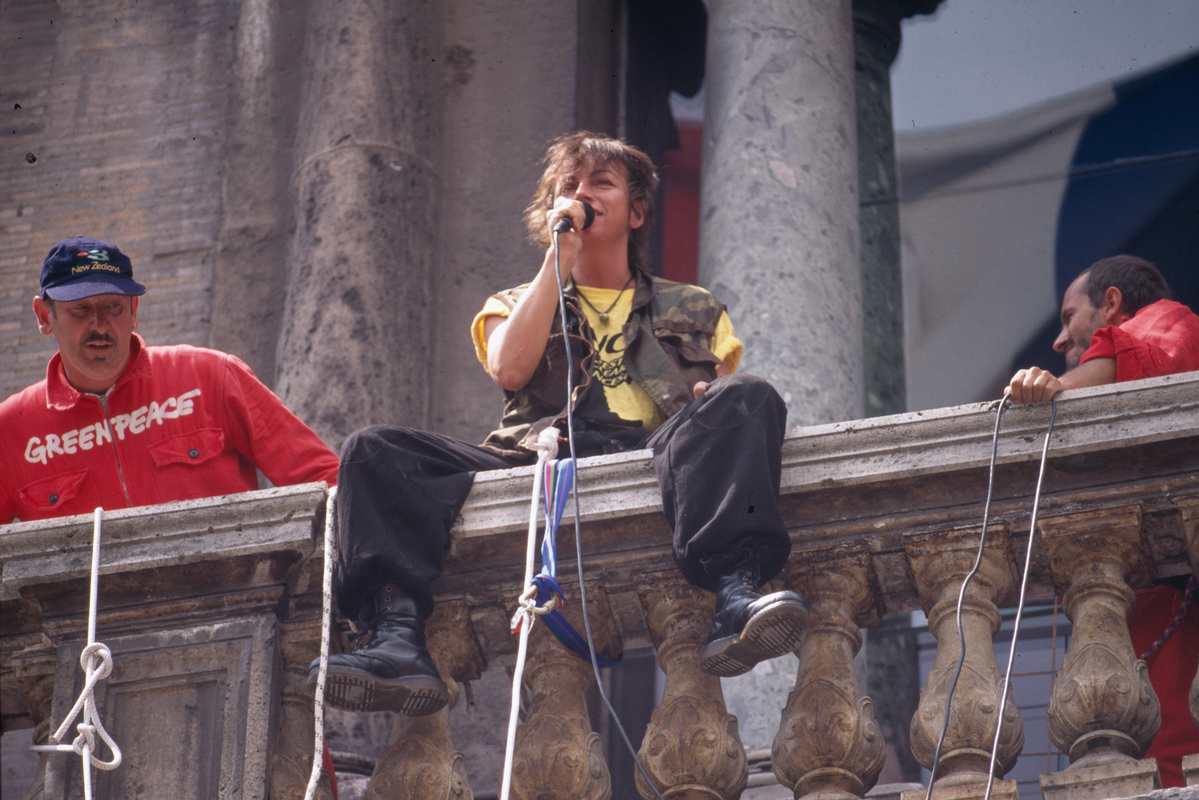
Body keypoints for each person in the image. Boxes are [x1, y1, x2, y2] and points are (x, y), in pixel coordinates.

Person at [312, 132, 809, 717]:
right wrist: (559, 261)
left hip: (654, 450)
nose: (582, 193)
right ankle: (394, 634)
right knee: (375, 451)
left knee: (747, 397)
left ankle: (736, 592)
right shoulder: (515, 300)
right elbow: (511, 367)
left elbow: (724, 404)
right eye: (568, 186)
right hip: (537, 453)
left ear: (637, 210)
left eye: (601, 182)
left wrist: (709, 401)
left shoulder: (695, 306)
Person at [1, 236, 343, 796]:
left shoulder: (209, 376)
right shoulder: (12, 431)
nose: (100, 325)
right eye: (80, 310)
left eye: (113, 307)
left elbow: (327, 485)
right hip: (95, 699)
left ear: (135, 308)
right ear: (45, 317)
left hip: (252, 669)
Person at [1006, 255, 1199, 787]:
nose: (1059, 340)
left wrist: (1061, 389)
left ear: (1111, 304)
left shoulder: (1167, 316)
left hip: (1172, 588)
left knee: (1174, 754)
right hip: (1132, 589)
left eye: (1070, 317)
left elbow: (1147, 356)